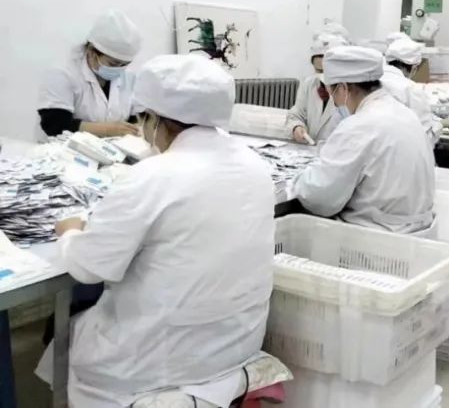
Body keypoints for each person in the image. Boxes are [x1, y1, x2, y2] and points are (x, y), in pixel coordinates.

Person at [40, 54, 275, 407]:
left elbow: (90, 267)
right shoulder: (255, 166)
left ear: (155, 119)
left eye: (142, 119)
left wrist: (71, 232)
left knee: (66, 324)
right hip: (235, 345)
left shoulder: (153, 176)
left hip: (155, 364)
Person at [295, 46, 435, 233]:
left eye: (333, 94)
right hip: (415, 233)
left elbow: (320, 198)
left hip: (376, 237)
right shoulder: (405, 114)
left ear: (343, 88)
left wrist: (300, 178)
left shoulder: (359, 126)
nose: (334, 102)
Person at [38, 10, 142, 140]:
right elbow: (54, 124)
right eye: (113, 63)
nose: (119, 69)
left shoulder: (130, 75)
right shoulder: (63, 72)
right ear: (92, 52)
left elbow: (138, 117)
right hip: (63, 148)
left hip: (114, 148)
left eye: (124, 64)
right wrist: (107, 130)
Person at [286, 32, 346, 144]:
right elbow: (296, 115)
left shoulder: (350, 91)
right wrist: (296, 127)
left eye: (325, 71)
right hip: (312, 150)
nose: (321, 76)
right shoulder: (310, 83)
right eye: (318, 70)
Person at [383, 37, 440, 146]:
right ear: (414, 68)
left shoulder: (370, 82)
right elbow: (424, 137)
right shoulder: (411, 89)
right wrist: (438, 127)